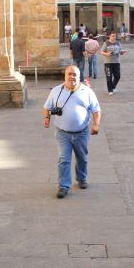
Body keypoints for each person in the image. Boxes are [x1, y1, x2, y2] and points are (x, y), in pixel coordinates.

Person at [43, 66, 101, 199]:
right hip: (62, 133)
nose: (72, 77)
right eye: (69, 74)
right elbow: (46, 107)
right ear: (65, 76)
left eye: (74, 74)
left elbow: (96, 110)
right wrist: (46, 117)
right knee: (64, 159)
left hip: (82, 133)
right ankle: (63, 186)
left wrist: (96, 125)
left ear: (79, 76)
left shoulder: (87, 92)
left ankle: (82, 178)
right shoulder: (56, 91)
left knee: (82, 158)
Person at [101, 31, 126, 96]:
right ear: (110, 36)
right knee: (109, 77)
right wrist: (107, 53)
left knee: (117, 76)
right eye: (112, 36)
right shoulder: (106, 43)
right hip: (108, 62)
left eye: (115, 36)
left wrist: (122, 52)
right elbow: (101, 52)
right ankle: (110, 90)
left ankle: (113, 86)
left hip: (116, 62)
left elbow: (120, 51)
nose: (114, 37)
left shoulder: (118, 43)